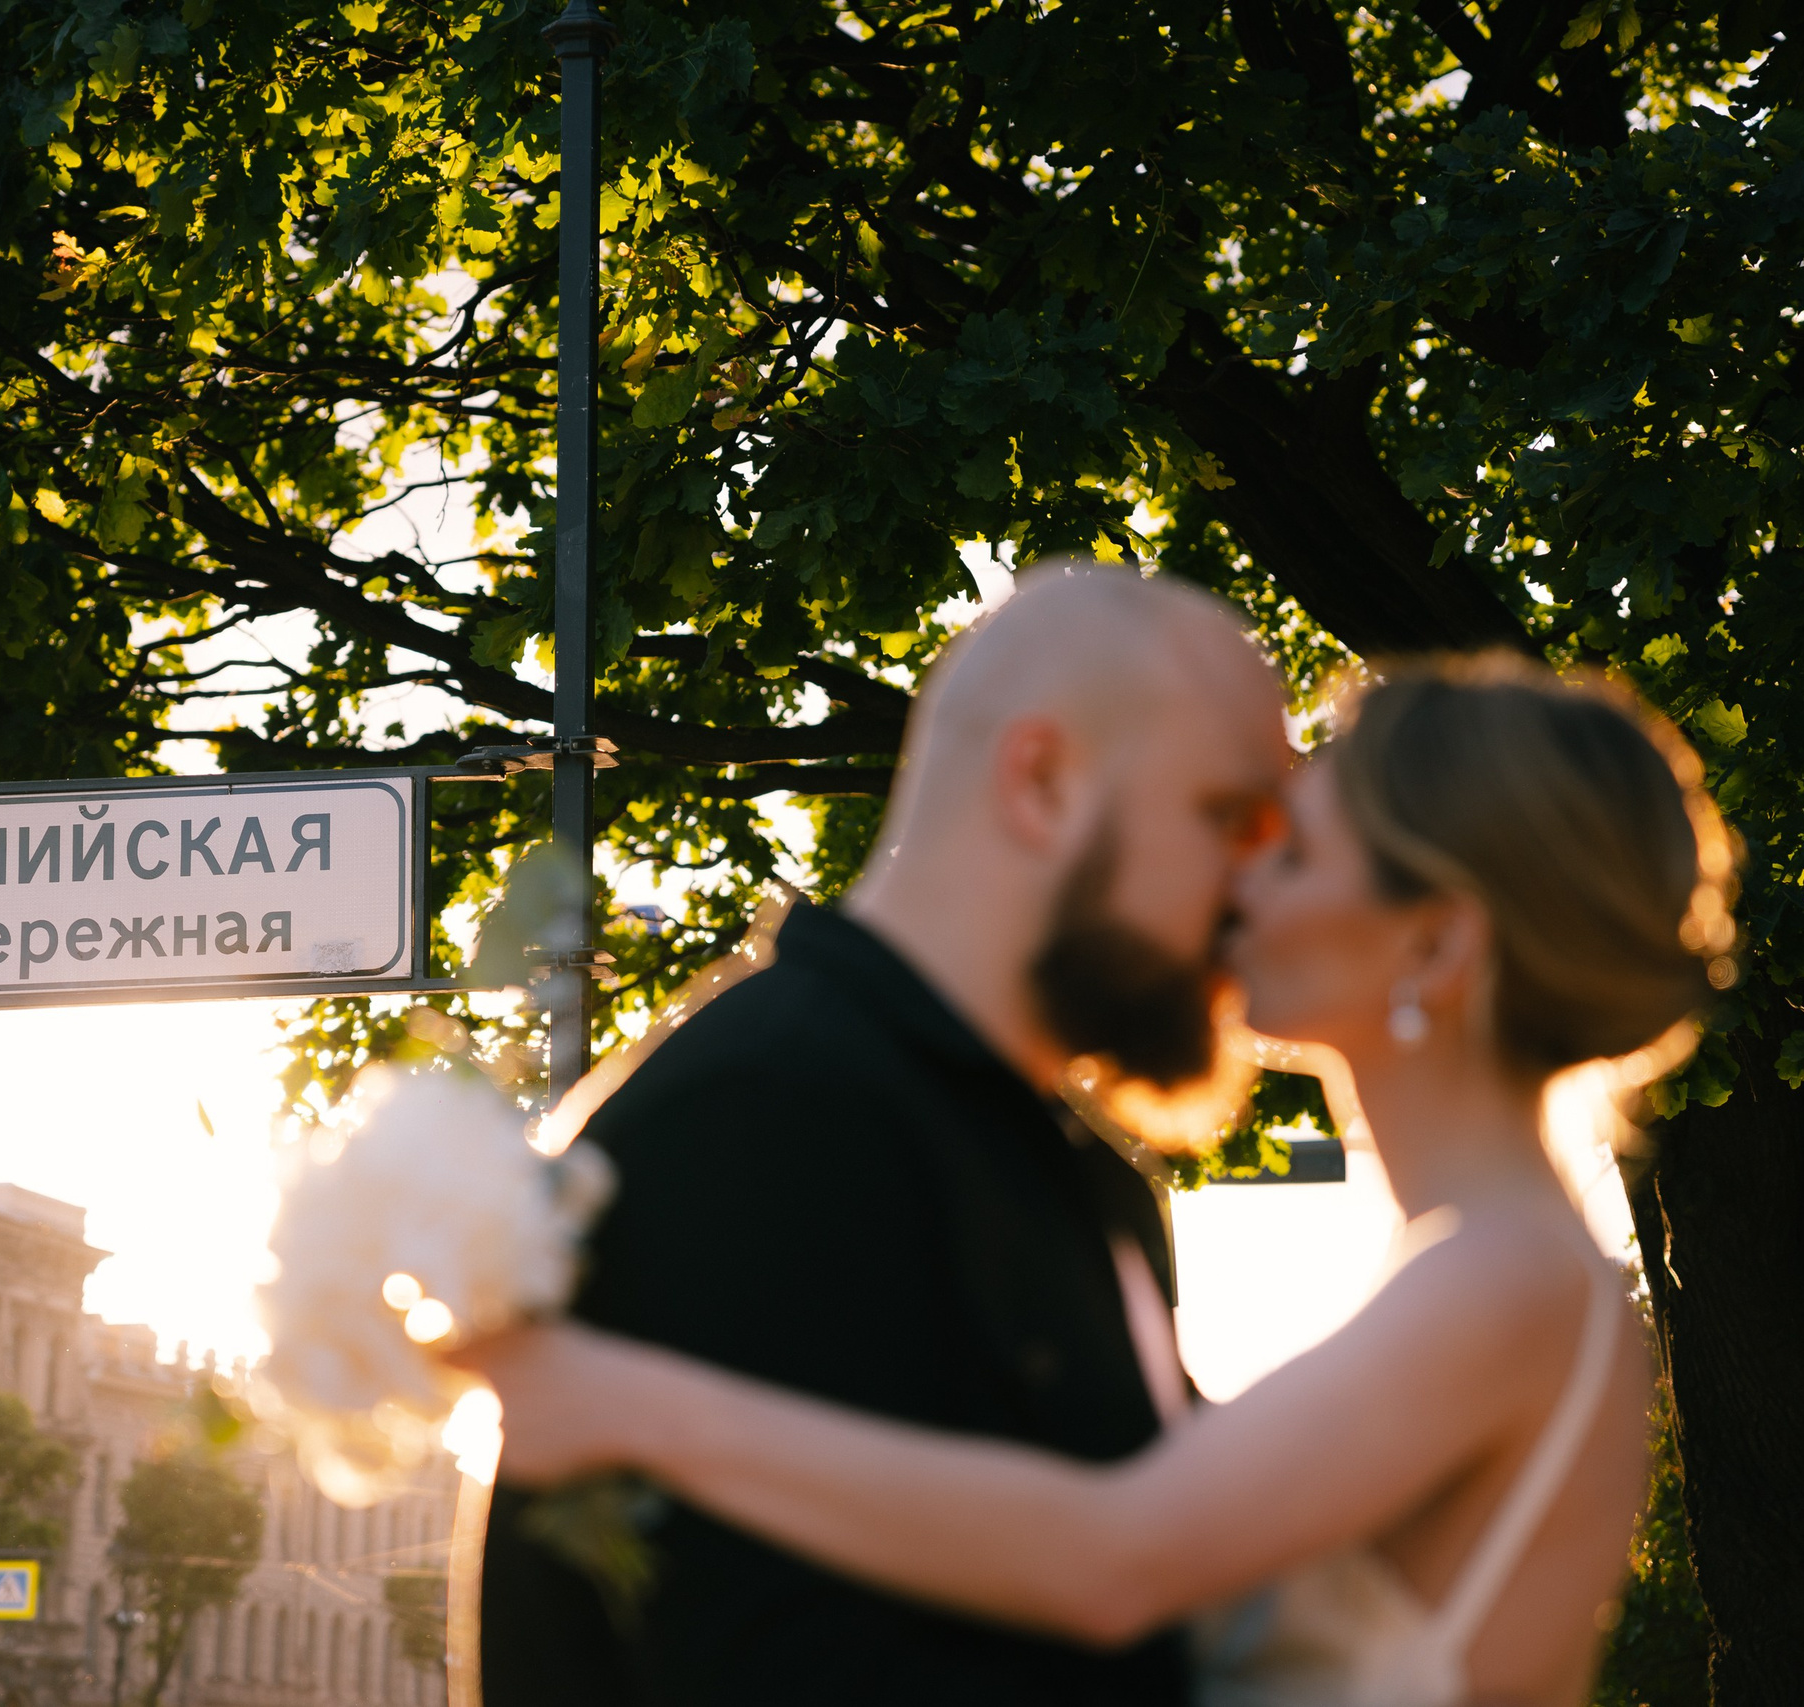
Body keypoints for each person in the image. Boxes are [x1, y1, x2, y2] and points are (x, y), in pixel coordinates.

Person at [470, 654, 1737, 1706]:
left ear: (1435, 941)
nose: (1235, 887)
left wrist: (629, 1404)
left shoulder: (1504, 1278)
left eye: (1290, 856)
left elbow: (1112, 1557)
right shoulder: (1493, 1262)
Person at [477, 563, 1291, 1707]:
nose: (1259, 890)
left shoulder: (1075, 1170)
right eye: (1229, 817)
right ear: (1044, 781)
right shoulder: (759, 1121)